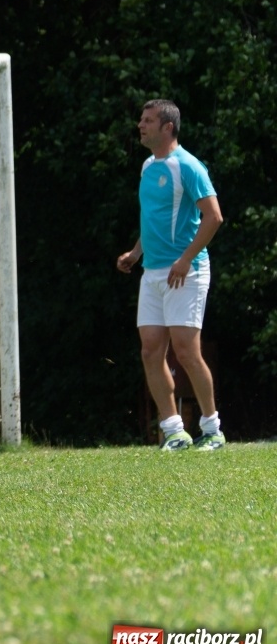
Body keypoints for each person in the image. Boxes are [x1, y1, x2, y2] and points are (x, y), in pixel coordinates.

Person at [115, 99, 225, 451]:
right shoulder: (149, 166)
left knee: (186, 351)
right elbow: (154, 220)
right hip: (153, 272)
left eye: (148, 121)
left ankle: (212, 429)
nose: (140, 125)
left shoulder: (188, 166)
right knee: (150, 351)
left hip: (186, 272)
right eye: (141, 120)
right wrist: (135, 253)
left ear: (168, 127)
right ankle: (174, 430)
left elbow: (214, 217)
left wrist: (185, 259)